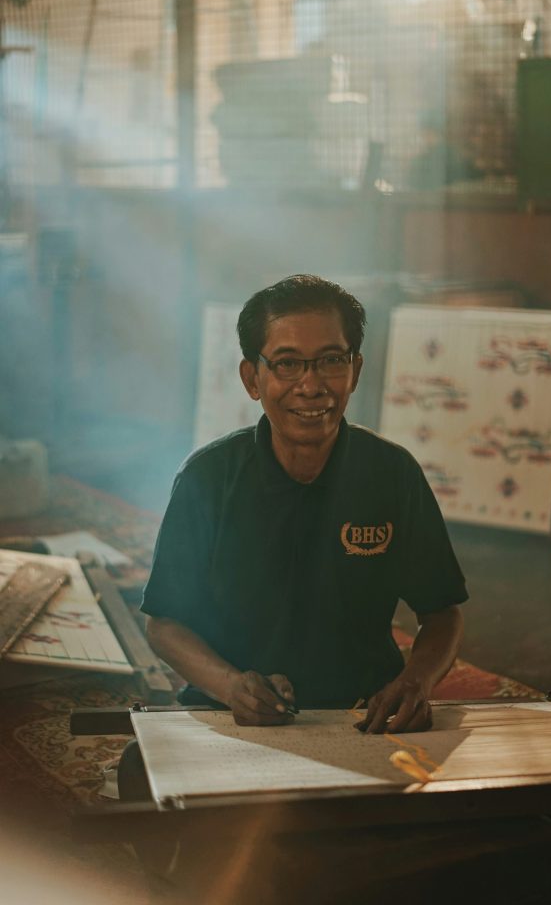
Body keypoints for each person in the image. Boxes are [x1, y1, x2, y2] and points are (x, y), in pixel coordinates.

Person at [130, 274, 467, 743]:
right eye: (288, 364)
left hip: (365, 716)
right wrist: (232, 687)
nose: (311, 386)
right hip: (230, 713)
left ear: (356, 370)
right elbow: (165, 624)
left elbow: (442, 613)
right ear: (252, 378)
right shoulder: (208, 479)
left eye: (331, 360)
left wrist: (416, 682)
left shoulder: (393, 474)